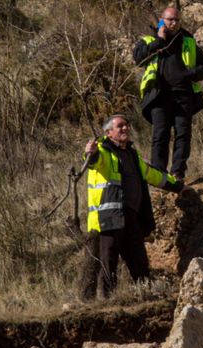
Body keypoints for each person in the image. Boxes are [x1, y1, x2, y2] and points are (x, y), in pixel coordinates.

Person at [77, 113, 179, 300]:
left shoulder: (132, 155)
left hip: (131, 217)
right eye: (120, 126)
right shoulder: (103, 150)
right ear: (109, 133)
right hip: (108, 218)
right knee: (109, 263)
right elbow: (93, 161)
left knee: (139, 261)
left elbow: (153, 175)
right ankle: (107, 301)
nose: (125, 128)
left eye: (127, 125)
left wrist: (178, 186)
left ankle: (147, 297)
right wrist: (89, 152)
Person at [132, 3, 203, 183]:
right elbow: (138, 59)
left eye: (176, 20)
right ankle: (159, 175)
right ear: (161, 21)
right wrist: (159, 39)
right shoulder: (149, 40)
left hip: (184, 95)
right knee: (160, 135)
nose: (173, 23)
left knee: (183, 134)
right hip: (159, 96)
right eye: (169, 19)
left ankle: (178, 173)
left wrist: (191, 74)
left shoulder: (188, 40)